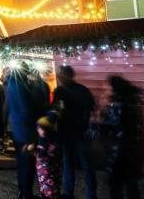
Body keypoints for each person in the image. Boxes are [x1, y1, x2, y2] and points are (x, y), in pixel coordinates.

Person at [7, 62, 50, 198]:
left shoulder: (11, 84)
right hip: (25, 130)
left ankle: (23, 191)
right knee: (27, 163)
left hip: (17, 128)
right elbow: (26, 110)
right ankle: (26, 193)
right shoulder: (20, 86)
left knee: (22, 162)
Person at [53, 66, 97, 199]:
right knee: (86, 165)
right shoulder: (83, 90)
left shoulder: (60, 91)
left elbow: (57, 111)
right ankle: (91, 195)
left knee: (69, 164)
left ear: (65, 76)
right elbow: (91, 108)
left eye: (60, 74)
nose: (58, 76)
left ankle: (68, 193)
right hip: (80, 132)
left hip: (68, 133)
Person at [101, 76, 144, 199]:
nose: (105, 88)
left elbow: (107, 127)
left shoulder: (116, 105)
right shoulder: (131, 101)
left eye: (107, 86)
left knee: (116, 186)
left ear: (114, 89)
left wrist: (101, 113)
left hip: (118, 154)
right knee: (131, 184)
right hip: (131, 151)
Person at [24, 112, 62, 199]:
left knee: (50, 191)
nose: (39, 130)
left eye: (41, 128)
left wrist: (31, 149)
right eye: (39, 128)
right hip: (44, 175)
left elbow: (43, 155)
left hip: (49, 174)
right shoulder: (43, 140)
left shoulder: (52, 144)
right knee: (46, 189)